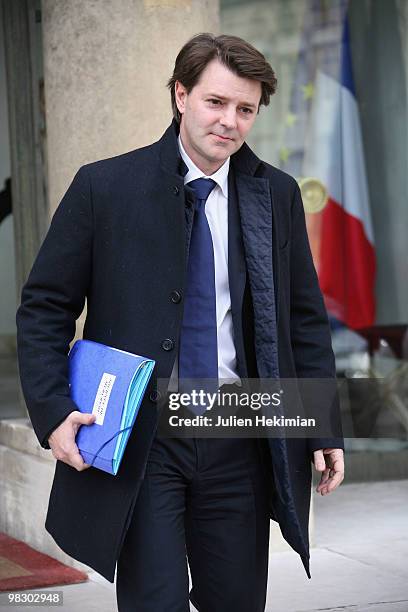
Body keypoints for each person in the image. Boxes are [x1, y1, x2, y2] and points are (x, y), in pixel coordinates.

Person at [16, 33, 345, 612]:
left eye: (245, 109)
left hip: (239, 427)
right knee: (154, 601)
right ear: (180, 95)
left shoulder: (276, 194)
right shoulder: (104, 187)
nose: (230, 121)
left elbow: (303, 320)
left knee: (238, 599)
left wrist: (322, 427)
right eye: (216, 102)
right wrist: (52, 410)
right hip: (146, 434)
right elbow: (44, 307)